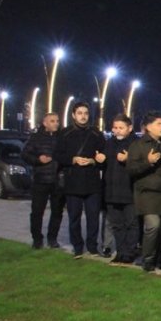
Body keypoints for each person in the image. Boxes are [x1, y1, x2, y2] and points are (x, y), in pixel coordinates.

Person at [127, 111, 161, 272]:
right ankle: (147, 259)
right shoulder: (138, 145)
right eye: (159, 124)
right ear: (148, 127)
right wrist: (147, 162)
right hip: (147, 192)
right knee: (153, 225)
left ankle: (157, 257)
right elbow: (131, 169)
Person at [55, 102, 106, 258]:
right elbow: (57, 155)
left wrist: (94, 161)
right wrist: (73, 159)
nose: (83, 116)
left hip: (92, 182)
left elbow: (104, 155)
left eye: (85, 113)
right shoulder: (64, 133)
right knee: (74, 217)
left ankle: (92, 246)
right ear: (73, 115)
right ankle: (77, 246)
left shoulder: (96, 133)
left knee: (93, 217)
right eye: (80, 113)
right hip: (73, 181)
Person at [22, 112, 65, 249]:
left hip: (58, 180)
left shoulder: (61, 138)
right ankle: (37, 239)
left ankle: (52, 238)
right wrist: (38, 160)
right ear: (45, 123)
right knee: (37, 211)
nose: (56, 123)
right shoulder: (36, 138)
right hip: (41, 180)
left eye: (57, 121)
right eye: (52, 121)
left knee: (57, 211)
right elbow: (25, 154)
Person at [103, 114, 139, 265]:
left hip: (129, 191)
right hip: (112, 191)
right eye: (115, 128)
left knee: (131, 223)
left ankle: (130, 253)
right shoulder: (109, 143)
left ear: (129, 128)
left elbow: (141, 164)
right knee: (116, 224)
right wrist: (100, 160)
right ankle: (121, 251)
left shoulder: (136, 143)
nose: (117, 131)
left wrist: (128, 159)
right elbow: (105, 165)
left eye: (121, 128)